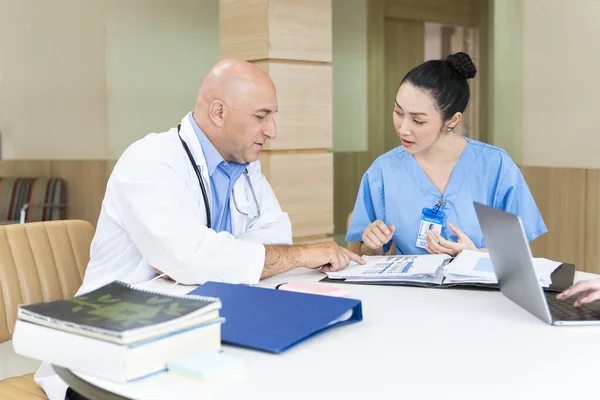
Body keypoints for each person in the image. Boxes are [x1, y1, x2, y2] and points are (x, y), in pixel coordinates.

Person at [35, 59, 364, 400]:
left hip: (190, 336)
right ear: (219, 112)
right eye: (261, 116)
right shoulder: (150, 161)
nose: (272, 130)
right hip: (111, 355)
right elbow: (188, 259)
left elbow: (275, 231)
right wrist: (220, 258)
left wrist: (213, 257)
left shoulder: (245, 166)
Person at [346, 52, 546, 256]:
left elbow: (517, 251)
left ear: (452, 120)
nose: (403, 128)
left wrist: (474, 254)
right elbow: (365, 256)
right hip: (409, 287)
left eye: (418, 120)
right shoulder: (382, 171)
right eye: (398, 112)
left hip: (475, 287)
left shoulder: (495, 166)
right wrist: (374, 244)